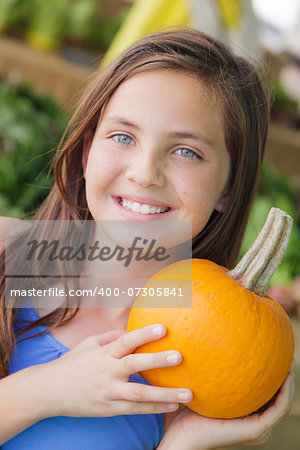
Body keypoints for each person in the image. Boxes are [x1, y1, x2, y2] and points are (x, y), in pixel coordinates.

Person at [0, 28, 295, 449]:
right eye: (123, 137)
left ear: (229, 188)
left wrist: (180, 445)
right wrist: (47, 389)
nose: (144, 173)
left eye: (186, 152)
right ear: (87, 152)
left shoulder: (200, 370)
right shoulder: (5, 254)